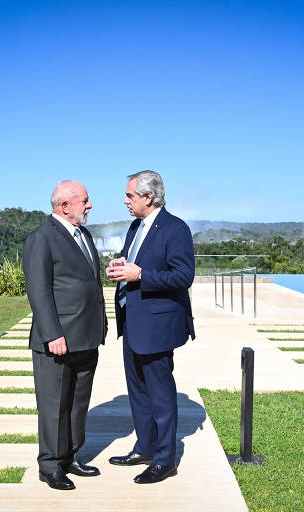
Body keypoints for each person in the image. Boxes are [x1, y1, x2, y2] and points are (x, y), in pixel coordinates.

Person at [106, 170, 195, 484]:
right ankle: (145, 447)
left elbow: (183, 276)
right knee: (138, 391)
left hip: (158, 327)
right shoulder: (135, 227)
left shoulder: (175, 229)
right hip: (132, 322)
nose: (125, 200)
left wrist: (140, 274)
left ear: (148, 196)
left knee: (159, 393)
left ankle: (165, 459)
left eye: (130, 195)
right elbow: (132, 263)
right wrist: (119, 267)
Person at [22, 180, 108, 491]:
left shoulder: (83, 234)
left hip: (87, 336)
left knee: (77, 402)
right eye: (85, 200)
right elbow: (39, 292)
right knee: (54, 404)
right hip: (58, 340)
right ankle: (50, 465)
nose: (90, 205)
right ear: (65, 206)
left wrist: (101, 323)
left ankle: (71, 456)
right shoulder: (41, 238)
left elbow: (90, 283)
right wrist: (52, 334)